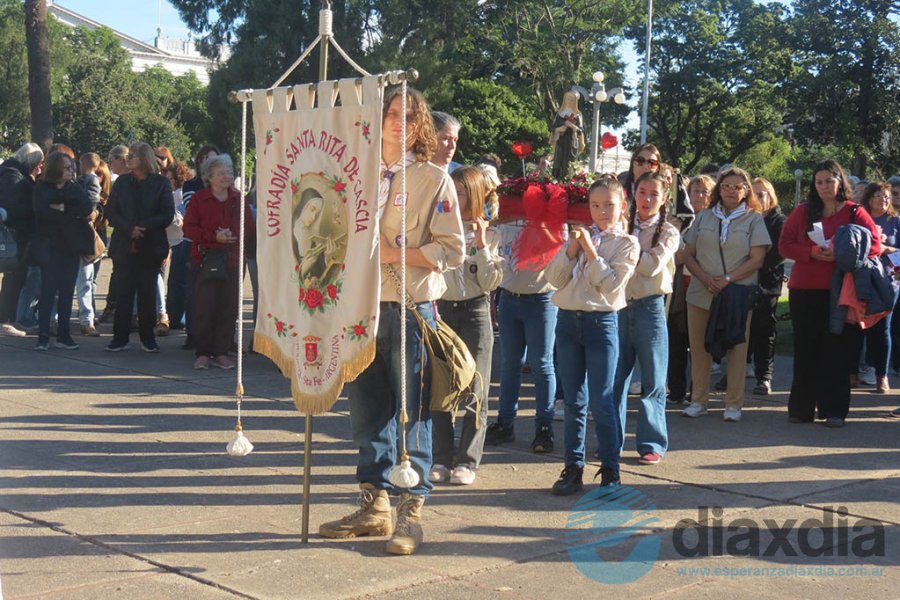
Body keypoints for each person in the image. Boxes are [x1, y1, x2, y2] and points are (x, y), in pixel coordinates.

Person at [318, 87, 464, 556]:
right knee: (366, 412)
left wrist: (392, 253)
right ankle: (374, 503)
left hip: (407, 308)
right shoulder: (352, 173)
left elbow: (452, 249)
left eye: (410, 116)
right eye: (393, 114)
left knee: (412, 414)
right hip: (359, 310)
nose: (401, 123)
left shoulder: (432, 179)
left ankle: (411, 512)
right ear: (376, 120)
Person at [545, 176, 640, 495]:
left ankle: (611, 469)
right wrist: (572, 249)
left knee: (602, 400)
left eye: (609, 205)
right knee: (573, 399)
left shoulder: (626, 243)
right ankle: (573, 467)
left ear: (622, 206)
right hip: (569, 322)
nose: (602, 212)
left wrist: (589, 249)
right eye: (595, 205)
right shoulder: (578, 238)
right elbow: (554, 278)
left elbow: (611, 283)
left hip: (602, 325)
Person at [778, 160, 880, 427]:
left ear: (840, 182)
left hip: (842, 292)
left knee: (836, 350)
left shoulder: (854, 212)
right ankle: (801, 409)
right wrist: (810, 253)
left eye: (829, 181)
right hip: (805, 290)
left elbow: (875, 245)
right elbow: (784, 245)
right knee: (806, 349)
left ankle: (834, 410)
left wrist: (845, 255)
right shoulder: (802, 212)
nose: (824, 186)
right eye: (819, 181)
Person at [431, 166, 504, 486]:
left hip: (475, 312)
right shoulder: (438, 228)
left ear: (473, 195)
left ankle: (468, 460)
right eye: (451, 191)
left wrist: (484, 246)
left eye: (460, 192)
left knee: (476, 387)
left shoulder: (491, 233)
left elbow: (489, 282)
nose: (453, 197)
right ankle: (441, 458)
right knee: (441, 388)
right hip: (443, 311)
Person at [681, 167, 770, 422]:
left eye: (738, 187)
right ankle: (698, 400)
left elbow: (757, 259)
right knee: (699, 349)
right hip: (701, 291)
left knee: (736, 347)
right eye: (726, 186)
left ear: (746, 191)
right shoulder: (705, 217)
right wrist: (706, 278)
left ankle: (733, 404)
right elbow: (689, 254)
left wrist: (728, 279)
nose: (731, 191)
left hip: (737, 294)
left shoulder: (753, 219)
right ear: (718, 189)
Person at [613, 171, 680, 465]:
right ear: (633, 194)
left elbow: (651, 265)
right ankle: (610, 439)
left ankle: (651, 442)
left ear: (664, 198)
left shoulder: (669, 231)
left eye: (654, 194)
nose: (647, 199)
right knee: (615, 379)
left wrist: (624, 250)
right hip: (618, 306)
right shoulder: (621, 225)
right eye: (642, 192)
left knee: (653, 378)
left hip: (650, 306)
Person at [182, 154, 255, 370]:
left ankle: (222, 352)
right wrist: (214, 236)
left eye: (230, 172)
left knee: (228, 307)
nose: (227, 176)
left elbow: (248, 227)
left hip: (232, 260)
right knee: (204, 307)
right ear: (210, 176)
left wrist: (232, 236)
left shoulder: (239, 199)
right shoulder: (198, 199)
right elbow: (189, 228)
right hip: (205, 259)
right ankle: (203, 352)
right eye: (222, 173)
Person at [104, 143, 175, 353]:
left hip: (150, 245)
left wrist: (144, 227)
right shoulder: (122, 183)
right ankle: (120, 337)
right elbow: (111, 211)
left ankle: (148, 338)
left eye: (133, 156)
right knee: (123, 292)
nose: (128, 159)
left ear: (144, 158)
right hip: (124, 245)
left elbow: (167, 213)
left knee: (147, 293)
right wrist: (129, 228)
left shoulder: (161, 183)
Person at [31, 152, 93, 351]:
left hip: (70, 246)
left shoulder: (75, 188)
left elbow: (85, 208)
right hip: (50, 245)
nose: (70, 171)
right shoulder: (42, 188)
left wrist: (62, 207)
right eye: (66, 167)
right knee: (48, 290)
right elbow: (42, 211)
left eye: (72, 167)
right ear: (56, 168)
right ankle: (43, 334)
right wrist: (66, 210)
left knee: (67, 291)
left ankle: (64, 334)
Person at [667, 174, 714, 404]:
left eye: (705, 191)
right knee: (676, 342)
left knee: (699, 344)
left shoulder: (714, 220)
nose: (700, 196)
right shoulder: (678, 219)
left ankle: (697, 391)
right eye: (695, 191)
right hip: (678, 287)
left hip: (701, 285)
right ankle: (675, 391)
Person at [746, 177, 786, 395]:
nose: (758, 198)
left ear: (771, 197)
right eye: (754, 194)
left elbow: (780, 253)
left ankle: (764, 377)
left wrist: (755, 262)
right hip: (742, 281)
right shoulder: (745, 218)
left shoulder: (778, 222)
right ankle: (737, 370)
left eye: (762, 194)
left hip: (767, 284)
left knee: (764, 330)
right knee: (742, 328)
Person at [858, 182, 899, 393]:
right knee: (858, 327)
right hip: (861, 278)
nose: (883, 200)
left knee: (882, 329)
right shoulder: (860, 218)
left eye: (886, 196)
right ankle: (852, 373)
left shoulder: (896, 222)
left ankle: (881, 375)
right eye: (878, 196)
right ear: (869, 198)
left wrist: (886, 249)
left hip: (887, 282)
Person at [0, 142, 44, 336]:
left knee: (14, 278)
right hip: (17, 236)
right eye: (39, 163)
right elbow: (14, 208)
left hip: (16, 235)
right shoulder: (14, 178)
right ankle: (6, 320)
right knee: (14, 278)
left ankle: (7, 318)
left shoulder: (9, 172)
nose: (41, 167)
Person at [179, 145, 219, 350]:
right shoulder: (191, 184)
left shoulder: (222, 186)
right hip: (193, 244)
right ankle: (193, 333)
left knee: (217, 291)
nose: (208, 163)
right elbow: (191, 211)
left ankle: (216, 336)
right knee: (192, 290)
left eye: (213, 159)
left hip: (217, 246)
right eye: (205, 159)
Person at [96, 144, 131, 325]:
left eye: (112, 160)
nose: (110, 164)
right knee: (117, 274)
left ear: (122, 160)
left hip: (130, 235)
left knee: (123, 276)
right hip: (121, 235)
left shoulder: (128, 182)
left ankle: (121, 310)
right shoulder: (119, 183)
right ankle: (113, 308)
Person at [73, 152, 107, 336]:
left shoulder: (89, 181)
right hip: (76, 234)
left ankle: (87, 319)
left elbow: (90, 204)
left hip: (85, 235)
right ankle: (85, 317)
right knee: (84, 279)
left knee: (86, 278)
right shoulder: (83, 181)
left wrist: (90, 210)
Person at [165, 161, 193, 331]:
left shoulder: (180, 194)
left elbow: (182, 216)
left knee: (178, 280)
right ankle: (174, 315)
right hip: (174, 240)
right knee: (175, 281)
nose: (168, 181)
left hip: (181, 240)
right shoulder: (173, 192)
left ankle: (178, 317)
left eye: (170, 178)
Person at [549, 90, 585, 180]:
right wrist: (559, 128)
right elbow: (553, 127)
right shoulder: (559, 114)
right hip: (560, 140)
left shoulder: (577, 116)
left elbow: (580, 130)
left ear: (575, 102)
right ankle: (556, 179)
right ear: (564, 100)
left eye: (572, 100)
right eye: (567, 99)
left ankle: (568, 179)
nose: (569, 101)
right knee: (558, 161)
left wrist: (573, 127)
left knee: (569, 162)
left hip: (571, 141)